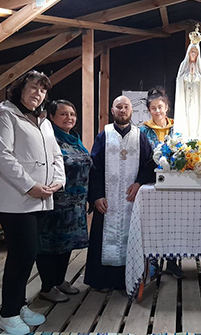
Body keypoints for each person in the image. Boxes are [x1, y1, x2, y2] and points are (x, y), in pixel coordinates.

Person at [0, 70, 65, 335]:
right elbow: (2, 156)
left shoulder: (43, 120)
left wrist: (58, 181)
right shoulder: (5, 115)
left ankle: (19, 306)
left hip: (40, 200)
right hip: (15, 201)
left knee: (28, 255)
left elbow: (57, 155)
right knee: (21, 257)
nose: (38, 94)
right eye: (33, 88)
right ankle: (7, 314)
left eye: (43, 90)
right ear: (20, 88)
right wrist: (29, 186)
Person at [85, 95, 154, 291]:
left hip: (131, 200)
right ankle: (102, 281)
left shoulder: (139, 135)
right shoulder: (104, 135)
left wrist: (139, 182)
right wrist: (97, 195)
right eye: (119, 107)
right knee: (103, 236)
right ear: (113, 110)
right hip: (107, 200)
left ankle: (129, 279)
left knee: (131, 236)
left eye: (126, 107)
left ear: (131, 111)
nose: (122, 110)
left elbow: (148, 163)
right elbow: (95, 168)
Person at [36, 100, 91, 303]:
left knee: (66, 245)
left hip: (75, 205)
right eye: (63, 114)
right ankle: (47, 286)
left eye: (72, 114)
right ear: (52, 117)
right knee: (49, 246)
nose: (69, 117)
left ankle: (59, 281)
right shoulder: (48, 139)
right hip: (54, 204)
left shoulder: (74, 139)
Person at [140, 87, 183, 279]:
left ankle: (173, 261)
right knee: (153, 223)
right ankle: (154, 262)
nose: (157, 111)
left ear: (167, 107)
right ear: (149, 110)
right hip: (151, 183)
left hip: (174, 183)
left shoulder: (178, 128)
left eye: (160, 107)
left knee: (174, 222)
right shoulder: (142, 130)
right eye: (153, 108)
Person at [174, 25, 201, 140]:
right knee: (186, 115)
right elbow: (180, 80)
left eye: (195, 52)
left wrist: (195, 76)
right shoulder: (183, 65)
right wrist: (188, 75)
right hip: (185, 96)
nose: (193, 54)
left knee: (196, 116)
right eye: (191, 52)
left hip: (197, 97)